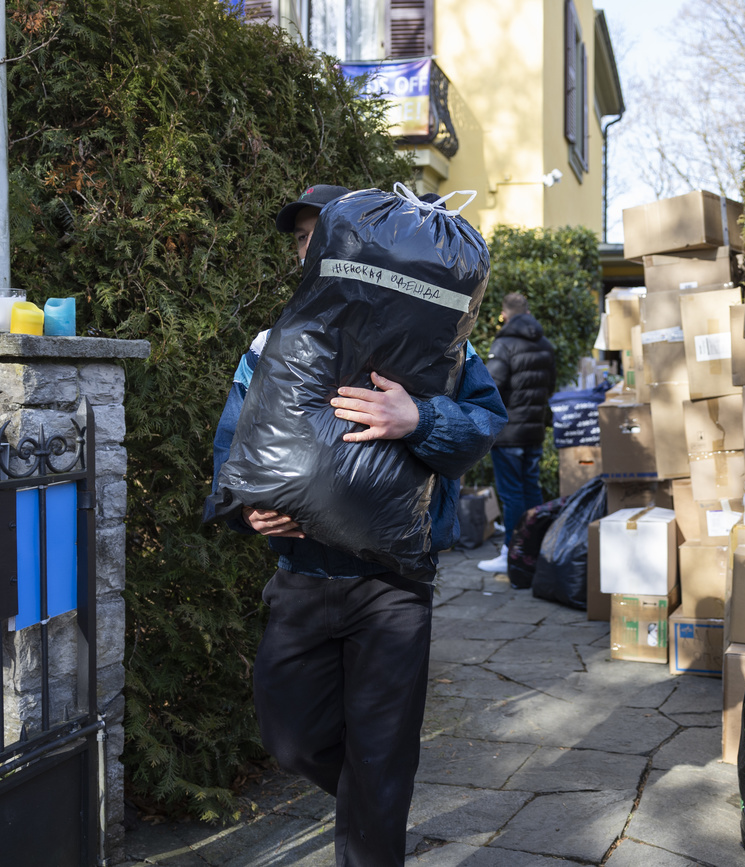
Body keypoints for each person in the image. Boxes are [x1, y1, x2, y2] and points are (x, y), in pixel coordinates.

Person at [211, 183, 506, 867]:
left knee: (380, 757)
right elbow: (232, 450)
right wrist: (244, 512)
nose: (308, 246)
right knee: (292, 740)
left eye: (320, 232)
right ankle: (371, 795)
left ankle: (375, 809)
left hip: (391, 589)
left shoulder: (432, 351)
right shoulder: (270, 348)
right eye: (301, 238)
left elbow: (483, 428)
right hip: (302, 578)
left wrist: (419, 417)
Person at [476, 292, 557, 573]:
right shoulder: (545, 344)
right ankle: (533, 550)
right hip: (534, 431)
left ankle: (512, 553)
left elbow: (490, 386)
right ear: (528, 310)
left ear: (505, 314)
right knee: (531, 490)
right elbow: (550, 387)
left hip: (509, 433)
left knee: (511, 495)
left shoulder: (504, 344)